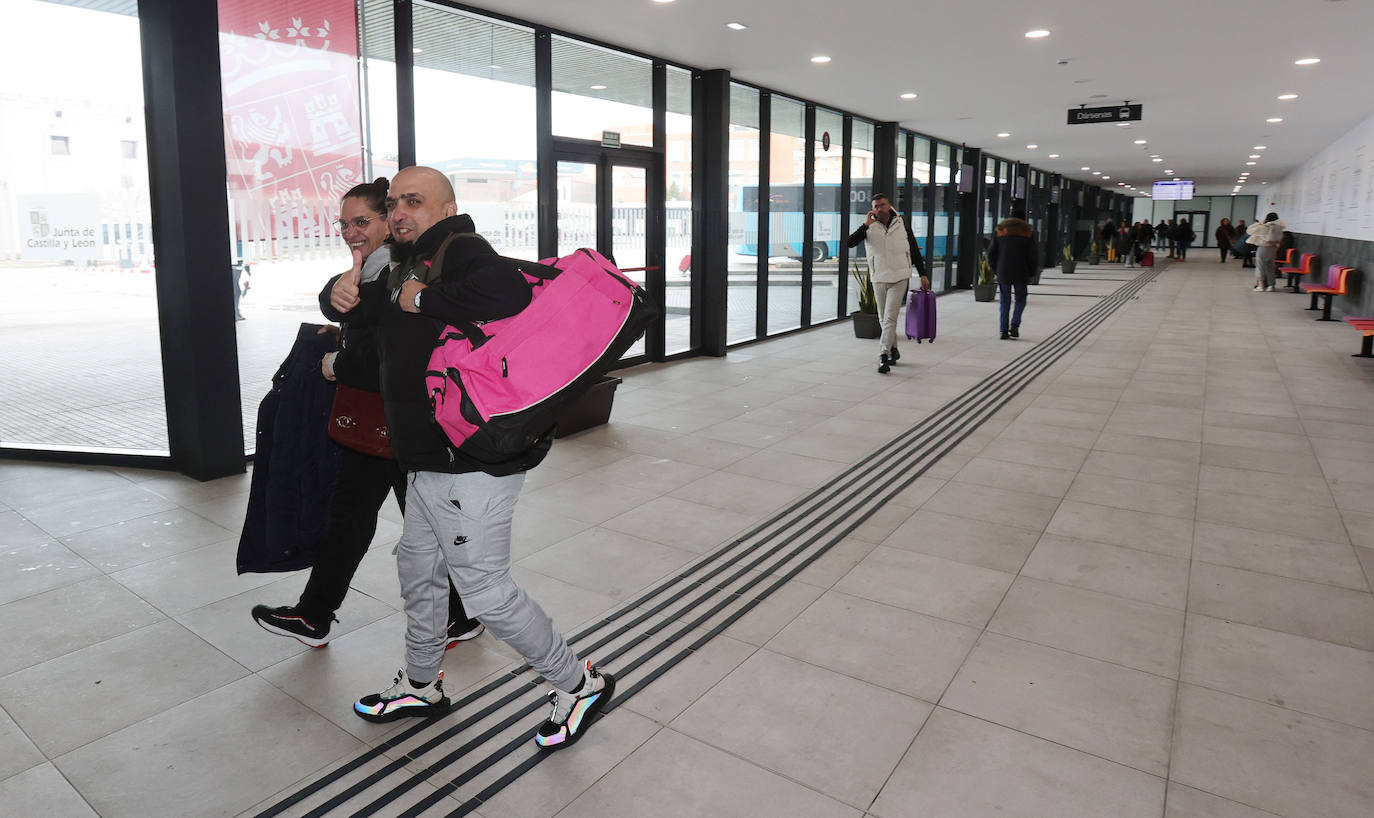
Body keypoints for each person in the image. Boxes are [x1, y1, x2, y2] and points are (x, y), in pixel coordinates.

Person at [344, 166, 612, 751]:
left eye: (413, 202)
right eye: (393, 203)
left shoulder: (459, 246)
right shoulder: (403, 260)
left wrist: (425, 298)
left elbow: (507, 293)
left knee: (485, 591)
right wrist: (338, 294)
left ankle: (578, 681)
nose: (398, 213)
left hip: (468, 458)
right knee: (418, 566)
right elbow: (369, 325)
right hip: (425, 456)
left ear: (446, 206)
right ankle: (422, 684)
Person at [251, 178, 483, 649]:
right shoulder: (377, 267)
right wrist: (332, 294)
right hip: (381, 422)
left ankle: (461, 614)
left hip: (406, 422)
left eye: (363, 221)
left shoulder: (406, 270)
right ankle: (317, 614)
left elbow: (390, 353)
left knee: (409, 523)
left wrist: (338, 363)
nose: (351, 231)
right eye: (344, 223)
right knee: (353, 515)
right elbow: (345, 304)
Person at [846, 193, 930, 374]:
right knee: (884, 319)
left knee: (890, 317)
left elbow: (914, 249)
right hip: (879, 277)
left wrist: (922, 274)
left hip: (900, 276)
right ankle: (894, 349)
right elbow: (849, 243)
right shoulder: (869, 227)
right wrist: (866, 225)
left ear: (889, 206)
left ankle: (883, 355)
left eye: (882, 205)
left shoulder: (902, 223)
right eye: (875, 206)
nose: (879, 209)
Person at [988, 216, 1037, 340]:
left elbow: (991, 254)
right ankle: (1015, 324)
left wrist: (996, 269)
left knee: (1005, 301)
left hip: (1004, 271)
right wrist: (1032, 272)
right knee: (1020, 299)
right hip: (1022, 271)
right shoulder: (1027, 233)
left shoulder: (1000, 233)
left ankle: (1003, 331)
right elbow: (1033, 255)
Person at [1247, 211, 1287, 291]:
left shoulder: (1266, 227)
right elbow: (1279, 240)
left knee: (1260, 267)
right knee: (1270, 267)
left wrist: (1260, 223)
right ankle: (1271, 286)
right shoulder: (1279, 227)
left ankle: (1261, 286)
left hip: (1263, 248)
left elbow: (1250, 230)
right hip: (1273, 248)